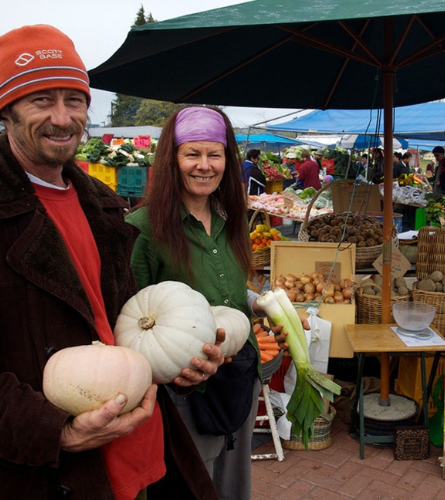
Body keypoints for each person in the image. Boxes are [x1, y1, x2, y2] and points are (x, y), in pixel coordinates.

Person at [0, 25, 221, 500]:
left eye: (74, 100)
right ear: (5, 110)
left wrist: (175, 362)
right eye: (41, 100)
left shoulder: (103, 204)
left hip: (142, 458)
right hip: (45, 474)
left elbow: (118, 328)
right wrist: (57, 431)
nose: (62, 117)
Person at [126, 106, 291, 499]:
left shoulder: (228, 218)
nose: (205, 166)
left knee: (233, 485)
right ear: (172, 159)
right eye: (192, 154)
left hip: (240, 379)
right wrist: (166, 373)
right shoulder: (142, 229)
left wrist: (259, 307)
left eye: (214, 154)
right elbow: (130, 319)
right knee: (191, 486)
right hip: (185, 391)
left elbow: (229, 290)